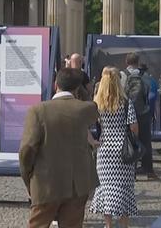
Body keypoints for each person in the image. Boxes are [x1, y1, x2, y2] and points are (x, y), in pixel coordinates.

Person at [19, 68, 99, 228]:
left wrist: (28, 179)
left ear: (56, 84)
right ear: (78, 88)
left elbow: (27, 150)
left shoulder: (38, 111)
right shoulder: (86, 109)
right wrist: (81, 90)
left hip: (46, 182)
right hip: (77, 184)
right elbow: (91, 102)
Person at [90, 67, 139, 228]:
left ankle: (108, 224)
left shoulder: (97, 104)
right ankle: (124, 224)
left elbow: (87, 125)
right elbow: (133, 127)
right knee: (124, 188)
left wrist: (94, 141)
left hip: (104, 149)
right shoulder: (125, 103)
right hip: (123, 149)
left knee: (106, 188)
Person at [120, 53, 158, 180]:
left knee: (131, 140)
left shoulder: (122, 75)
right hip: (143, 113)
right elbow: (150, 95)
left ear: (126, 62)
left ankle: (133, 171)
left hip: (128, 113)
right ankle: (149, 170)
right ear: (138, 62)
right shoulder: (146, 76)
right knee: (146, 141)